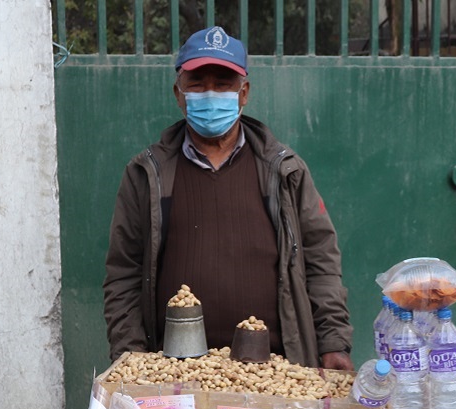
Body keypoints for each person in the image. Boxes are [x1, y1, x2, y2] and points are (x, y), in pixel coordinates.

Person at [103, 26, 353, 371]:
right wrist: (131, 356)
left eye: (222, 85)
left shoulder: (284, 170)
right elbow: (124, 273)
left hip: (276, 370)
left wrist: (333, 342)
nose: (210, 94)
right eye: (197, 84)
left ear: (244, 92)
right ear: (178, 93)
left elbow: (321, 261)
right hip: (176, 371)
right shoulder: (147, 173)